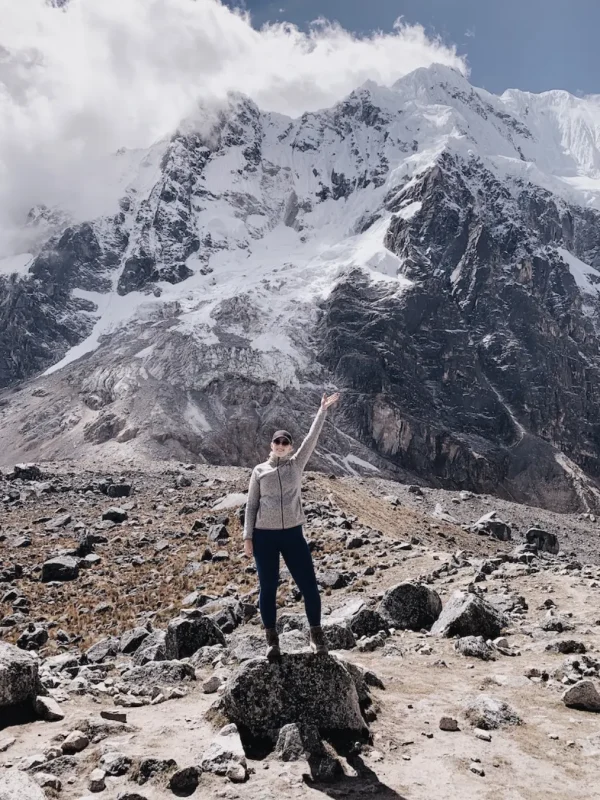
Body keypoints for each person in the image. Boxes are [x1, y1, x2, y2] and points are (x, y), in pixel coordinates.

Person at [243, 392, 341, 660]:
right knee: (268, 587)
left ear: (290, 446)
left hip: (293, 534)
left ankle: (316, 636)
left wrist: (321, 411)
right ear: (271, 445)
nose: (281, 444)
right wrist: (247, 538)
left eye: (285, 442)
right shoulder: (259, 471)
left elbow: (312, 439)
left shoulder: (297, 465)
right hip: (264, 537)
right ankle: (272, 641)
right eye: (277, 441)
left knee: (308, 584)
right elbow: (251, 505)